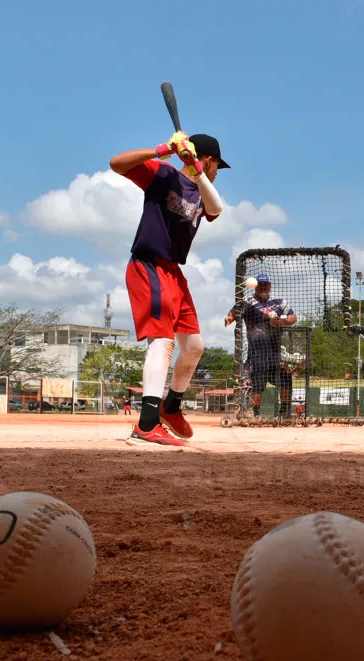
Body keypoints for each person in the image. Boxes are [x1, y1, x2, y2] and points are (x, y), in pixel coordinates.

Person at [109, 130, 230, 447]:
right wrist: (161, 149)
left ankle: (171, 406)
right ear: (210, 159)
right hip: (149, 265)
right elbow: (116, 163)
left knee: (194, 346)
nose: (217, 173)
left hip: (174, 273)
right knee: (162, 341)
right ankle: (147, 425)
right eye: (217, 166)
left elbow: (217, 209)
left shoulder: (200, 191)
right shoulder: (164, 175)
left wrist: (197, 170)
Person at [224, 273, 298, 418]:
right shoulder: (248, 300)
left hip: (276, 352)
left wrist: (280, 322)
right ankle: (255, 414)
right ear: (256, 286)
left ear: (269, 286)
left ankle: (284, 413)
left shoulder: (279, 302)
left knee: (285, 380)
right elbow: (235, 310)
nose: (263, 287)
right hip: (257, 352)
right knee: (257, 384)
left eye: (265, 285)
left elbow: (293, 317)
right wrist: (230, 318)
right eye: (260, 285)